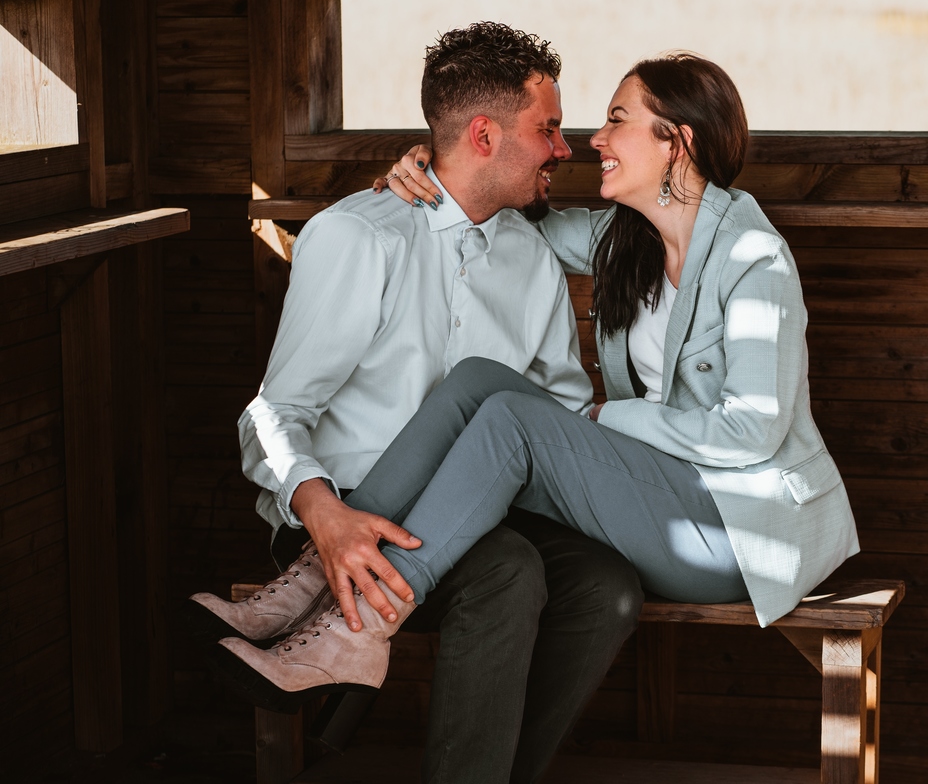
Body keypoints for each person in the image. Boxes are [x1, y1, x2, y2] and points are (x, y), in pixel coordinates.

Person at [210, 50, 860, 717]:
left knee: (511, 419)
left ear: (677, 142)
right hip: (655, 493)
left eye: (617, 119)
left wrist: (606, 417)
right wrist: (432, 166)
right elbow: (486, 198)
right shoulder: (623, 240)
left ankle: (357, 631)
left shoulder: (754, 258)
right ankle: (312, 579)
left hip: (737, 531)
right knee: (476, 381)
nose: (592, 140)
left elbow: (753, 429)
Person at [187, 23, 644, 784]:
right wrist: (324, 514)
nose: (564, 149)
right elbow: (270, 414)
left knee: (610, 588)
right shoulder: (358, 237)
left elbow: (558, 409)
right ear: (485, 135)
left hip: (487, 512)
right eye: (549, 129)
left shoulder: (531, 255)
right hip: (343, 514)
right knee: (508, 574)